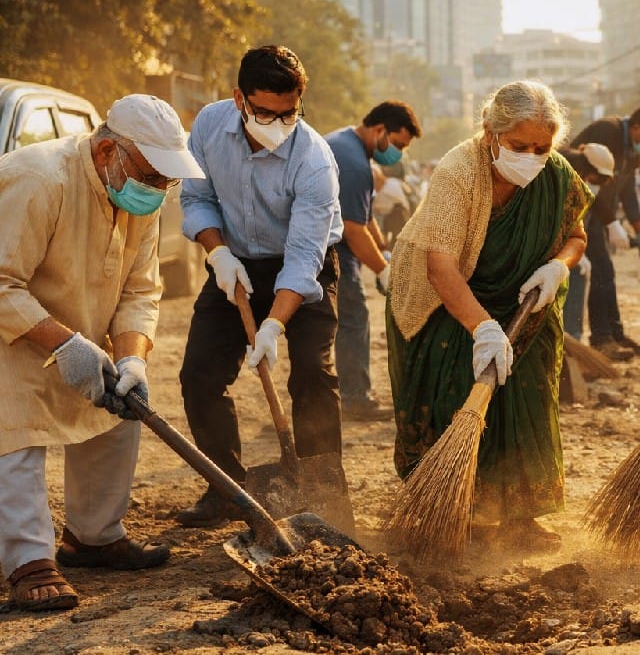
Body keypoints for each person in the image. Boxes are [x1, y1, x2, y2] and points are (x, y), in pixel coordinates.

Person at [0, 94, 204, 611]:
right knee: (14, 428)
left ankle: (91, 537)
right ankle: (29, 561)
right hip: (11, 335)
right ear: (108, 149)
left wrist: (132, 357)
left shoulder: (138, 196)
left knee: (119, 408)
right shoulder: (41, 178)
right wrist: (65, 343)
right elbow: (1, 282)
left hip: (76, 335)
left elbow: (140, 291)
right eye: (152, 175)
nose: (158, 189)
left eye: (167, 180)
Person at [386, 80, 589, 551]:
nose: (532, 157)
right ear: (489, 132)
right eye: (519, 146)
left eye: (542, 147)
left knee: (528, 394)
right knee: (454, 388)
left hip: (522, 299)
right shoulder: (459, 171)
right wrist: (482, 328)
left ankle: (521, 516)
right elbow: (440, 265)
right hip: (446, 298)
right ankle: (461, 510)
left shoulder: (555, 174)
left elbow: (576, 237)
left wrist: (558, 267)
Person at [176, 45, 343, 528]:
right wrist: (218, 253)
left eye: (288, 113)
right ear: (238, 99)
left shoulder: (314, 160)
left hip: (301, 266)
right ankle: (226, 489)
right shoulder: (208, 126)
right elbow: (198, 196)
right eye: (265, 113)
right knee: (199, 376)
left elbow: (304, 258)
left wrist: (272, 326)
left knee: (312, 375)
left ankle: (322, 496)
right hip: (235, 260)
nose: (278, 124)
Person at [326, 101, 422, 422]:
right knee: (353, 318)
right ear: (380, 130)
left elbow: (366, 219)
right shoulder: (353, 163)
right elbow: (353, 231)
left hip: (337, 245)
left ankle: (324, 399)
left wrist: (386, 252)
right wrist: (384, 271)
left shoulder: (351, 147)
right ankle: (355, 398)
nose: (398, 154)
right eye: (397, 145)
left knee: (338, 322)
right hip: (332, 251)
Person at [569, 103, 640, 360]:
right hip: (580, 211)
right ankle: (601, 339)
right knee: (600, 270)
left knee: (606, 271)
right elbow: (595, 183)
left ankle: (614, 334)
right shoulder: (608, 132)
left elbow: (627, 193)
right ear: (636, 128)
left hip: (601, 214)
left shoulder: (631, 152)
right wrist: (612, 224)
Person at [561, 143, 615, 341]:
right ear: (589, 169)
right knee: (576, 273)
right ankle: (571, 337)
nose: (595, 184)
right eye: (596, 179)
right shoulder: (566, 173)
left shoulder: (577, 176)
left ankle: (571, 337)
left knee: (579, 272)